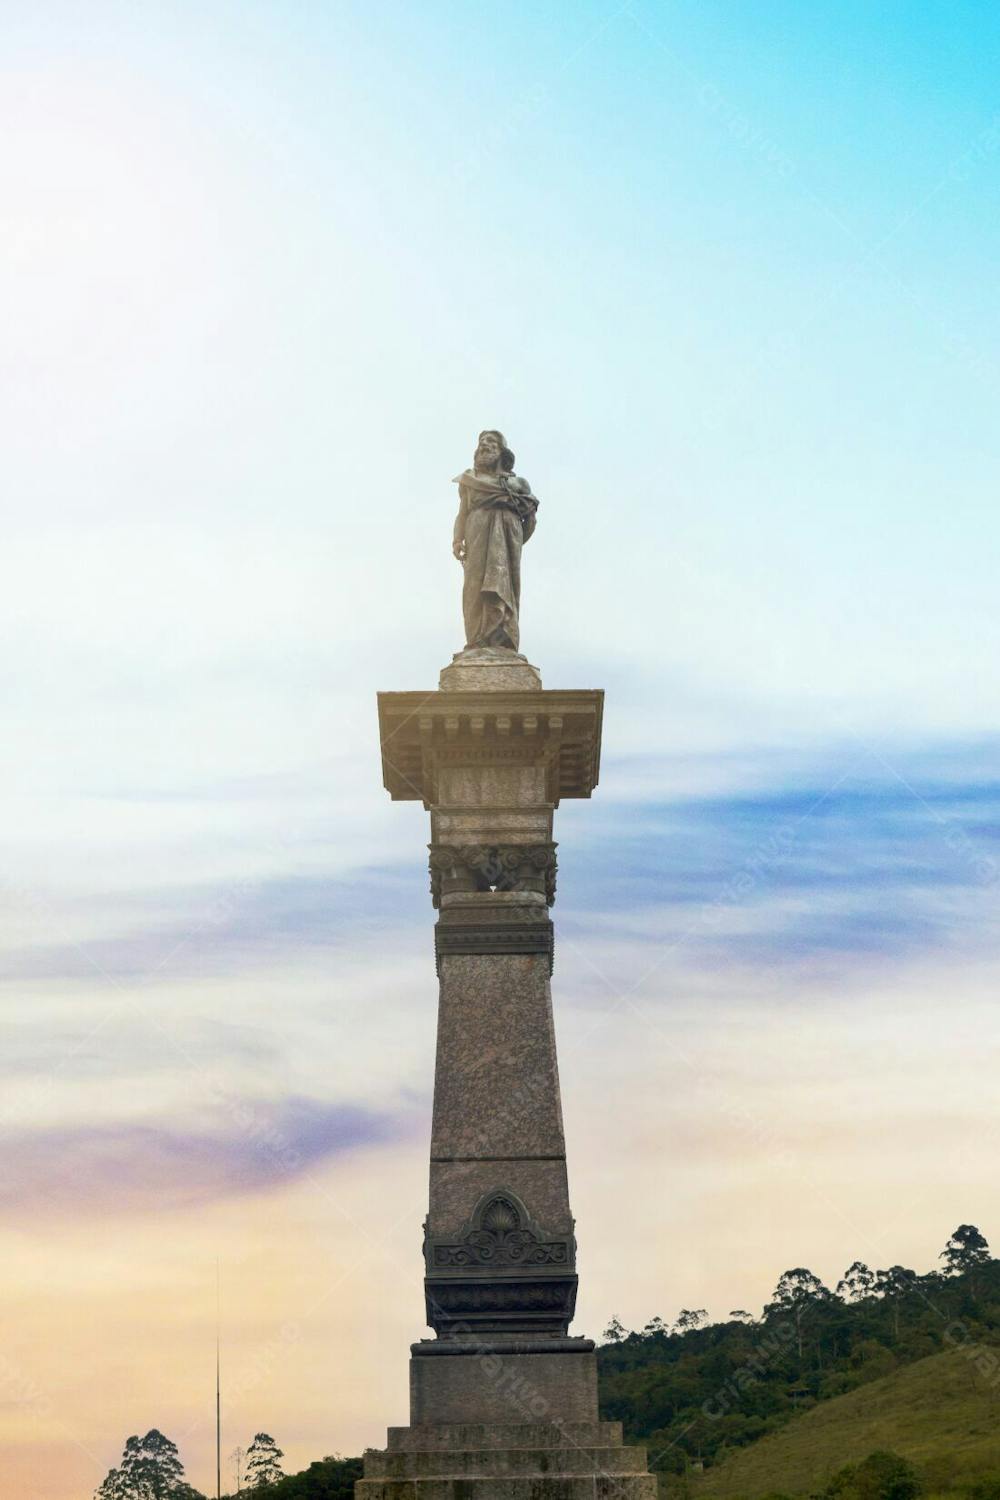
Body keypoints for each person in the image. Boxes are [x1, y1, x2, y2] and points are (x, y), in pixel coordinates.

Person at [452, 430, 538, 651]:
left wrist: (515, 540)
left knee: (504, 584)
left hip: (507, 541)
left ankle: (503, 640)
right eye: (481, 442)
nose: (484, 445)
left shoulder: (518, 484)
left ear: (502, 451)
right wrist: (457, 540)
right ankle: (476, 640)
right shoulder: (471, 479)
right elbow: (462, 513)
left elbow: (530, 518)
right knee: (473, 586)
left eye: (490, 442)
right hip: (476, 533)